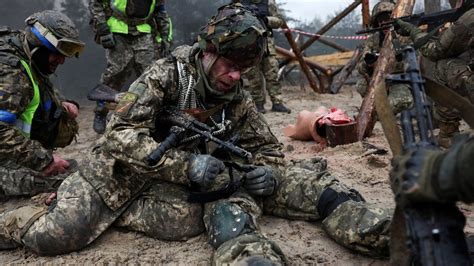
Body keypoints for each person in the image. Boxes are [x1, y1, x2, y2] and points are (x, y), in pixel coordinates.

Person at [0, 4, 390, 263]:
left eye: (244, 68)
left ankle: (373, 227)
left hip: (193, 182)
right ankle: (15, 221)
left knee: (236, 201)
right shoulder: (165, 75)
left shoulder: (236, 94)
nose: (236, 76)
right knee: (54, 237)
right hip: (119, 177)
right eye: (230, 65)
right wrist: (185, 166)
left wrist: (267, 172)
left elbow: (266, 149)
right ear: (207, 52)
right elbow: (118, 134)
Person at [0, 10, 85, 199]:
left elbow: (34, 86)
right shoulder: (9, 71)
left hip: (9, 158)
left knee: (75, 172)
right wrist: (45, 161)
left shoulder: (22, 50)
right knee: (72, 184)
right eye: (57, 53)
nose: (62, 60)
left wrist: (61, 102)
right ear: (39, 45)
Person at [394, 0, 474, 147]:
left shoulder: (469, 18)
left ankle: (448, 134)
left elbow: (435, 51)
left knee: (443, 66)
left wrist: (413, 31)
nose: (454, 5)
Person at [89, 0, 173, 134]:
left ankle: (151, 116)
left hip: (143, 31)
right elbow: (96, 3)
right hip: (117, 29)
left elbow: (161, 11)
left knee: (150, 76)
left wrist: (165, 37)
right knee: (115, 74)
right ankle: (101, 110)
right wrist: (102, 28)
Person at [355, 0, 413, 115]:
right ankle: (375, 110)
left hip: (400, 80)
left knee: (398, 103)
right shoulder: (373, 39)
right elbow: (360, 66)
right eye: (381, 20)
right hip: (379, 80)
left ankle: (379, 114)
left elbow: (412, 64)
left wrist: (388, 62)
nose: (385, 22)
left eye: (388, 18)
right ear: (377, 23)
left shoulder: (405, 37)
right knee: (361, 85)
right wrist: (369, 64)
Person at [235, 0, 291, 113]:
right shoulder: (241, 3)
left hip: (267, 46)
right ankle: (258, 104)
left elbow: (279, 21)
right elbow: (234, 21)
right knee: (253, 78)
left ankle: (277, 103)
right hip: (250, 45)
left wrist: (266, 19)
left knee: (273, 75)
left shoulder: (268, 3)